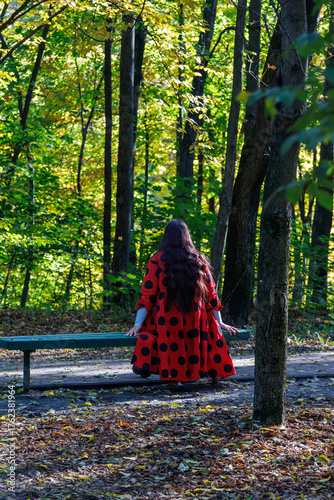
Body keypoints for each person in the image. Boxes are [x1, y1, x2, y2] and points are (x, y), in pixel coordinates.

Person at [125, 219, 238, 382]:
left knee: (149, 331)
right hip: (195, 320)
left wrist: (138, 323)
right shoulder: (199, 260)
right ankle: (190, 373)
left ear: (166, 237)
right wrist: (219, 321)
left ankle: (150, 365)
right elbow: (211, 295)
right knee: (205, 331)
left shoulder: (157, 260)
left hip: (166, 320)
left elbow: (147, 295)